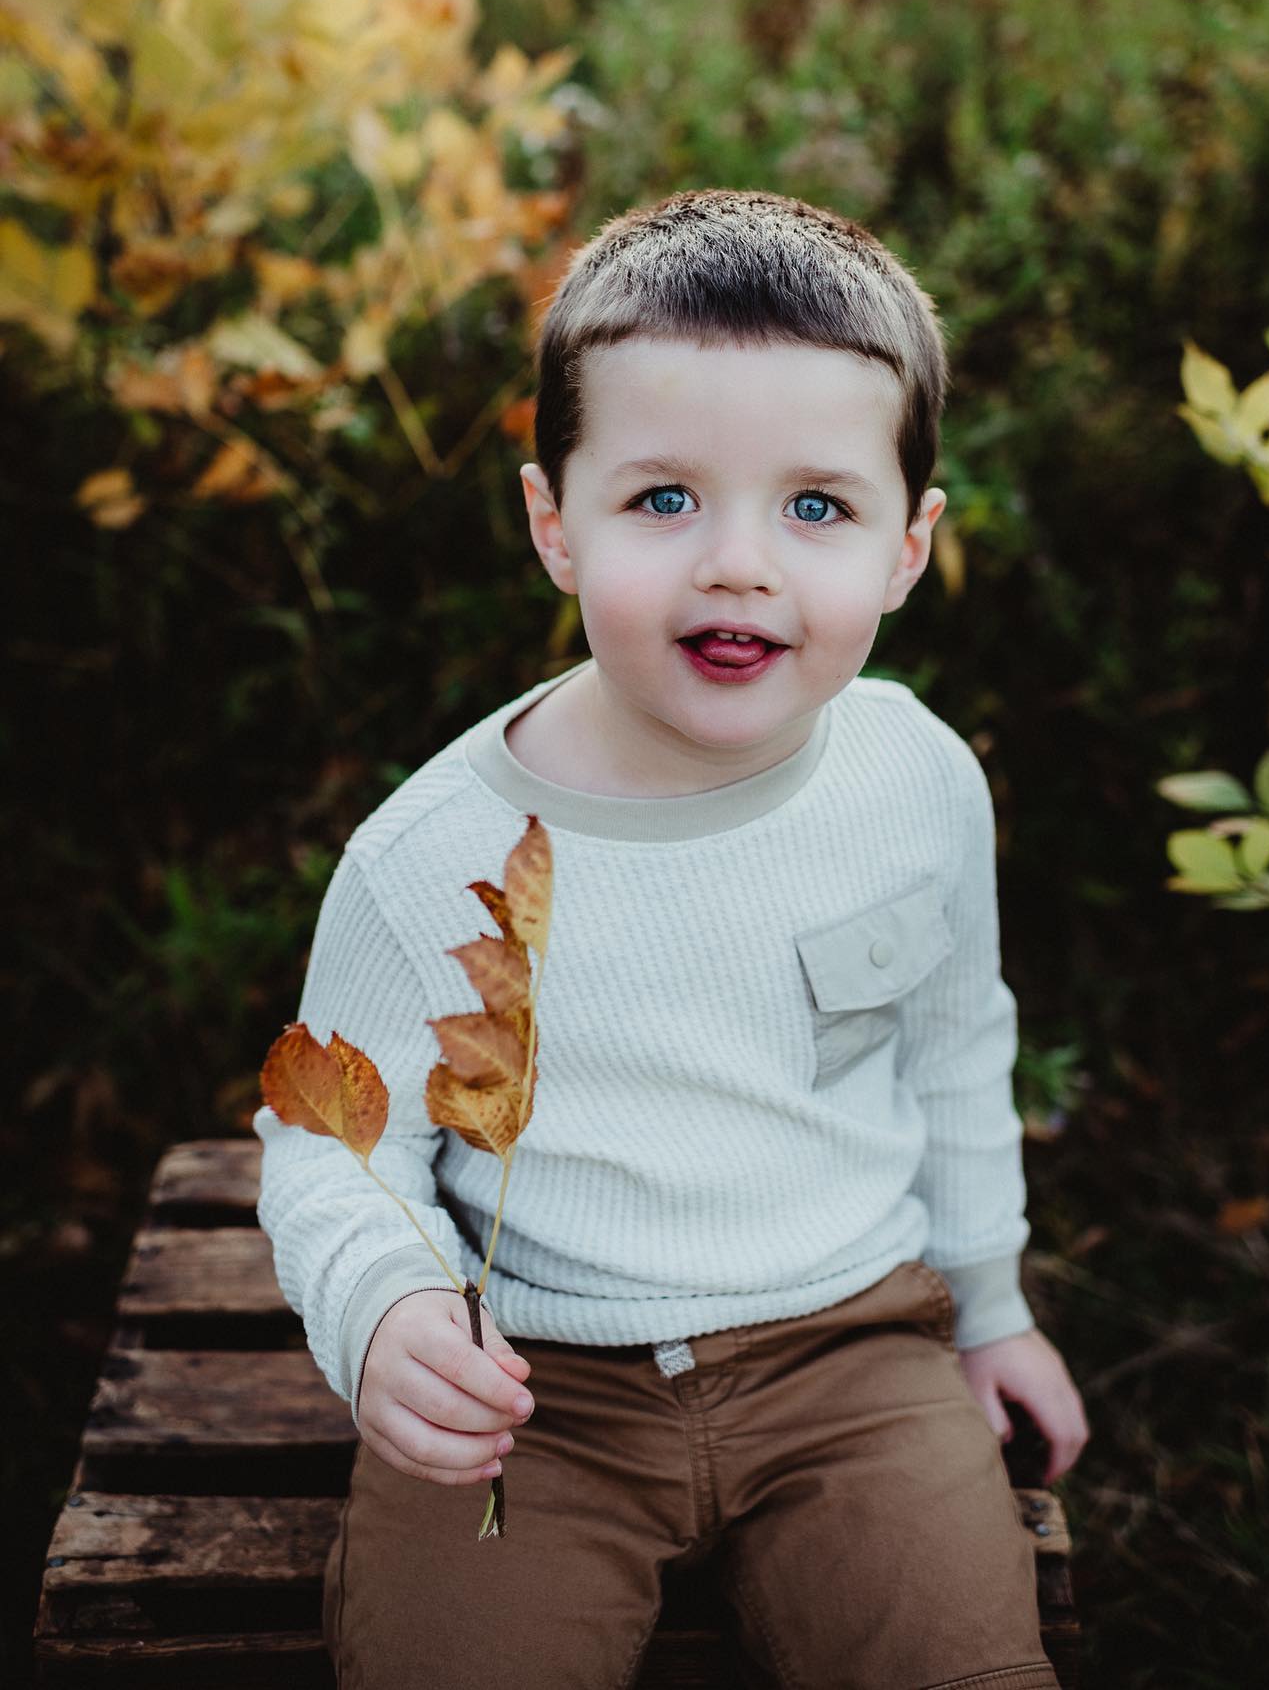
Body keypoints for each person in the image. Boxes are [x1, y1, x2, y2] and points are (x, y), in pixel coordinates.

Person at [255, 187, 1088, 1689]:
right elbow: (335, 1142)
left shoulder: (915, 783)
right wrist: (384, 1312)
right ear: (551, 523)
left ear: (911, 546)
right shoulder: (429, 857)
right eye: (662, 499)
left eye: (817, 507)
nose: (739, 566)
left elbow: (960, 1050)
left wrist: (997, 1309)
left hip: (852, 1359)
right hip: (535, 1389)